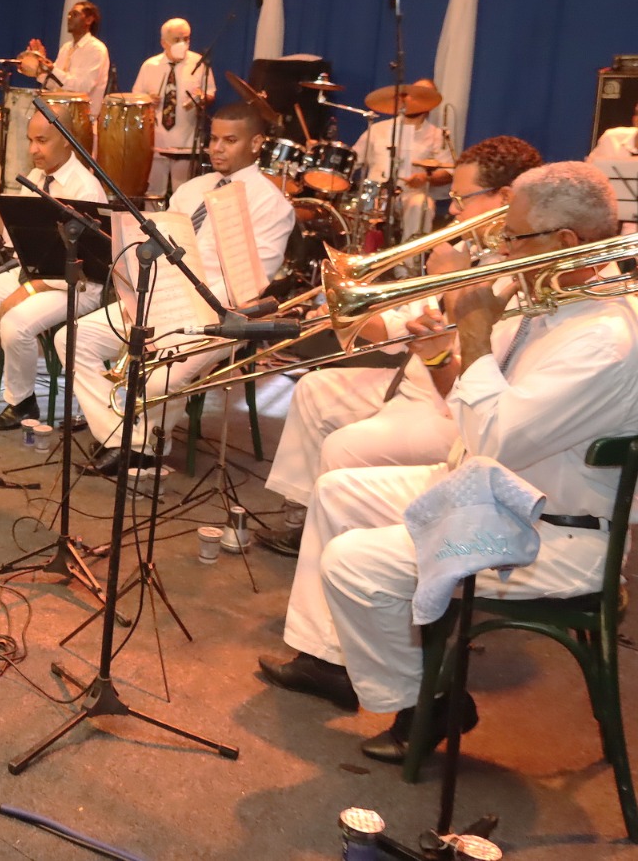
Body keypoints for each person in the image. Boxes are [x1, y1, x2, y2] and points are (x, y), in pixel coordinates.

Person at [256, 162, 638, 762]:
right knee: (336, 490)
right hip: (493, 491)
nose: (501, 251)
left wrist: (477, 330)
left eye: (513, 239)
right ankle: (328, 662)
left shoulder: (604, 337)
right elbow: (471, 413)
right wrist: (440, 359)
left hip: (548, 532)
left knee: (353, 562)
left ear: (566, 243)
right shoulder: (548, 297)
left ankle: (429, 701)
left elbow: (495, 437)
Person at [258, 137, 544, 556]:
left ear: (504, 197)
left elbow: (473, 355)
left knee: (344, 446)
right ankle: (306, 516)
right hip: (415, 380)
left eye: (463, 199)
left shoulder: (518, 269)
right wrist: (345, 315)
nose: (453, 210)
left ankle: (344, 550)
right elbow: (406, 322)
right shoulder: (468, 249)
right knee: (314, 390)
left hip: (454, 407)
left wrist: (454, 282)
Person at [60, 103, 294, 473]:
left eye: (230, 141)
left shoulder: (271, 202)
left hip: (221, 314)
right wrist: (137, 290)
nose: (217, 148)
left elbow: (254, 280)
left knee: (157, 380)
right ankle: (120, 436)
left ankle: (140, 448)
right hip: (160, 299)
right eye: (214, 139)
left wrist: (192, 307)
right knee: (74, 338)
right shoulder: (192, 188)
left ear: (257, 144)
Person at [0, 106, 107, 427]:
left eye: (42, 140)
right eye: (29, 140)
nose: (33, 149)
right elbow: (17, 243)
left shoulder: (85, 187)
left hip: (74, 285)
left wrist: (25, 290)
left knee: (16, 322)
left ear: (67, 141)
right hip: (31, 274)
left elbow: (84, 267)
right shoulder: (36, 177)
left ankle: (23, 402)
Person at [352, 79, 452, 240]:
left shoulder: (437, 135)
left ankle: (408, 263)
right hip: (376, 194)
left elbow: (448, 171)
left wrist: (426, 178)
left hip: (410, 194)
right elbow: (352, 159)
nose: (414, 99)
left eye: (423, 95)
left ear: (432, 102)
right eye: (412, 94)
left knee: (422, 205)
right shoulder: (378, 129)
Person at [131, 17, 214, 196]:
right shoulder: (150, 66)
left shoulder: (198, 63)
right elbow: (136, 97)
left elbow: (210, 93)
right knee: (154, 192)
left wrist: (201, 98)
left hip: (185, 141)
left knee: (184, 191)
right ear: (164, 43)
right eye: (177, 40)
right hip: (156, 141)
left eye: (186, 39)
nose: (183, 44)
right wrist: (147, 99)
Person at [21, 0, 110, 119]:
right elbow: (55, 85)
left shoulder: (96, 49)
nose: (69, 18)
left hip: (83, 119)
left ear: (89, 20)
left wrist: (52, 69)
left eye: (75, 14)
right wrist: (39, 67)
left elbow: (83, 88)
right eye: (69, 14)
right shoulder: (66, 48)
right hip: (59, 115)